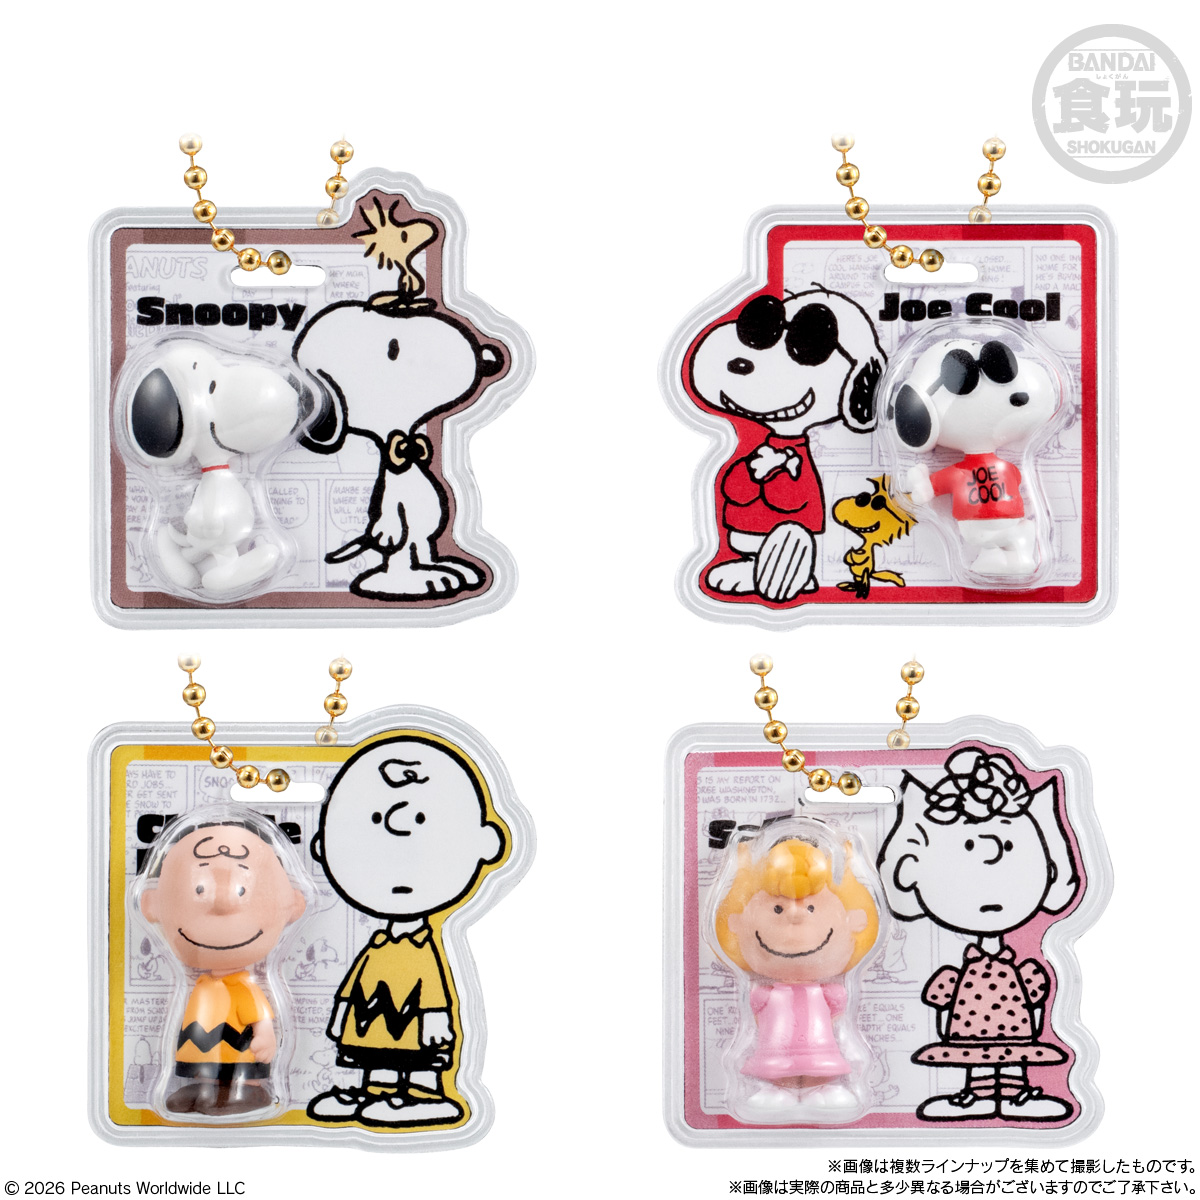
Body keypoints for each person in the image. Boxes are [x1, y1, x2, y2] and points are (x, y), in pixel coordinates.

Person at [307, 735, 505, 1127]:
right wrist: (341, 1014)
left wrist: (436, 1020)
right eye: (376, 823)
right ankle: (376, 1093)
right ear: (321, 848)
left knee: (420, 1061)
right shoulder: (378, 945)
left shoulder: (422, 949)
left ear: (486, 843)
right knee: (376, 1060)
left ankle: (425, 1096)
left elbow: (432, 988)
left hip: (415, 1024)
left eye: (419, 821)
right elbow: (353, 983)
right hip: (371, 1021)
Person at [136, 813, 308, 1117]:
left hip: (238, 1051)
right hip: (202, 1045)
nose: (222, 903)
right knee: (203, 1062)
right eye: (200, 890)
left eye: (241, 891)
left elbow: (261, 1017)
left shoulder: (243, 986)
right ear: (153, 905)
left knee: (236, 1066)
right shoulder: (204, 985)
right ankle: (204, 1089)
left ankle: (244, 1091)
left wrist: (265, 1035)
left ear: (292, 906)